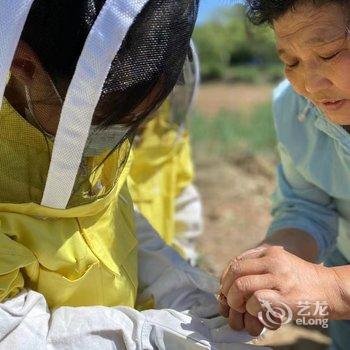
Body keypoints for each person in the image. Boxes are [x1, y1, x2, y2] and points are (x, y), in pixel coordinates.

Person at [0, 0, 270, 349]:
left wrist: (190, 295)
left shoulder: (82, 145)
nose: (124, 133)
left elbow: (121, 225)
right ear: (23, 65)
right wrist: (152, 336)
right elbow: (12, 331)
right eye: (114, 112)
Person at [219, 1, 350, 349]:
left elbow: (334, 290)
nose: (310, 85)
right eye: (290, 61)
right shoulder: (295, 108)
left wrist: (334, 287)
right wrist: (275, 262)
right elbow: (306, 205)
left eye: (329, 53)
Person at [128, 42, 203, 264]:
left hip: (164, 267)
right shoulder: (98, 144)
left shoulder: (170, 136)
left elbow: (183, 197)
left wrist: (181, 252)